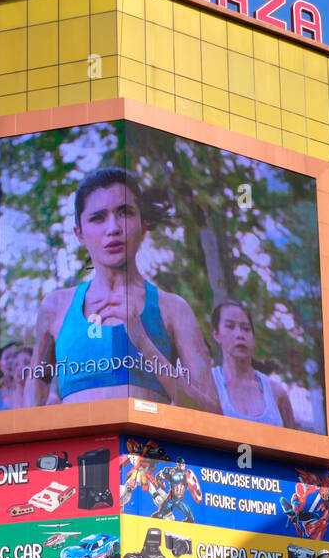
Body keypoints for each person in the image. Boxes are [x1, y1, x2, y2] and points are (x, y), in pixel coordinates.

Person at [25, 168, 220, 412]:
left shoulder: (173, 309)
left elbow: (212, 412)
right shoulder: (55, 307)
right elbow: (37, 383)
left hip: (148, 448)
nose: (113, 228)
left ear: (143, 226)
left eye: (124, 213)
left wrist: (144, 343)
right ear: (80, 234)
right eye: (98, 217)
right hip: (77, 449)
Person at [210, 301, 297, 427]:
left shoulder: (276, 392)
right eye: (230, 326)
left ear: (253, 337)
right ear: (216, 335)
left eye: (246, 329)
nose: (239, 335)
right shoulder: (207, 383)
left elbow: (294, 442)